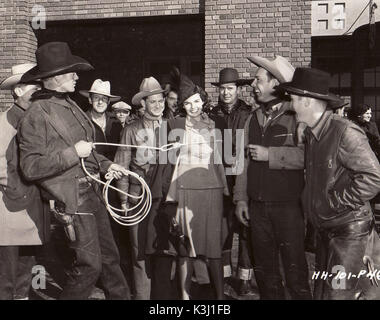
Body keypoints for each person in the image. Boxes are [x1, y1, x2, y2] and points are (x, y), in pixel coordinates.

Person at [18, 42, 130, 300]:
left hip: (91, 191)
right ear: (55, 77)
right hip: (71, 199)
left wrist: (106, 164)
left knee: (111, 259)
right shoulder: (37, 113)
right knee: (90, 265)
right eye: (71, 72)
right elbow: (30, 166)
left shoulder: (69, 103)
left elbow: (87, 149)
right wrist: (72, 153)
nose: (77, 76)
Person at [277, 67, 380, 300]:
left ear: (308, 101)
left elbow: (373, 178)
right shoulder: (315, 134)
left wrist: (334, 202)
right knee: (325, 294)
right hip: (329, 231)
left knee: (338, 294)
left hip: (348, 236)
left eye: (293, 99)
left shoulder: (344, 131)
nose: (291, 106)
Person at [234, 55, 311, 300]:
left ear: (275, 85)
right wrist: (241, 200)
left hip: (289, 209)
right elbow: (242, 162)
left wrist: (271, 154)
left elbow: (307, 158)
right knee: (266, 275)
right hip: (257, 208)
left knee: (295, 273)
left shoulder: (297, 117)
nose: (253, 86)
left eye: (258, 80)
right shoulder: (252, 118)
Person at [165, 72, 229, 300]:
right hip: (184, 190)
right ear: (182, 105)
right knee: (185, 249)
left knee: (213, 250)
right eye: (187, 103)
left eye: (196, 101)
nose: (193, 107)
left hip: (212, 190)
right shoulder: (173, 126)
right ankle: (184, 299)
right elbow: (169, 163)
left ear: (203, 100)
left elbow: (223, 160)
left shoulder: (216, 124)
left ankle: (220, 299)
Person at [114, 76, 169, 300]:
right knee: (139, 252)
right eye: (152, 102)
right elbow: (122, 167)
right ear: (143, 105)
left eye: (160, 101)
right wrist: (125, 199)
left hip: (166, 197)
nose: (158, 106)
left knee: (164, 250)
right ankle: (143, 297)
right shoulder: (131, 130)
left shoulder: (172, 126)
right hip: (139, 196)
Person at [0, 63, 48, 300]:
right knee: (7, 272)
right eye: (34, 86)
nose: (38, 90)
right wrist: (15, 190)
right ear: (18, 91)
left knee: (25, 268)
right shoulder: (4, 122)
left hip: (32, 206)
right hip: (10, 206)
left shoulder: (38, 118)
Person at [210, 67, 254, 295]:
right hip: (220, 179)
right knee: (223, 229)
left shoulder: (248, 113)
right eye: (223, 89)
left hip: (242, 178)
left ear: (238, 89)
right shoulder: (212, 114)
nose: (226, 93)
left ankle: (244, 276)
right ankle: (226, 274)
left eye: (230, 88)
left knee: (245, 230)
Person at [79, 79, 121, 160]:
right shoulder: (82, 121)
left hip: (115, 168)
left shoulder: (115, 122)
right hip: (92, 169)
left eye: (104, 98)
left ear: (108, 102)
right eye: (96, 98)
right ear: (90, 100)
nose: (100, 102)